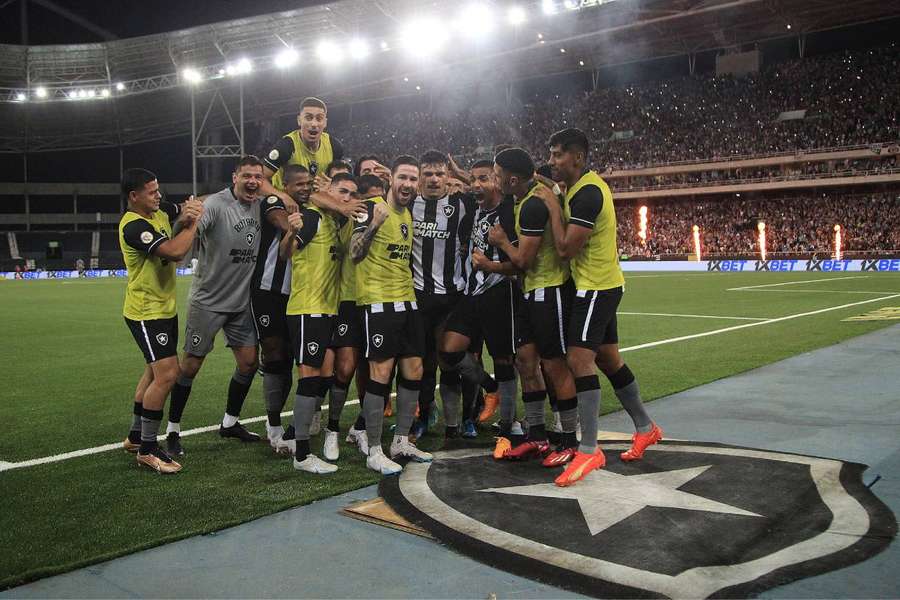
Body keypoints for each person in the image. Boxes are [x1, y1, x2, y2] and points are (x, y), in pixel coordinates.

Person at [542, 128, 663, 487]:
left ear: (577, 157)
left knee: (579, 359)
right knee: (609, 359)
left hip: (596, 287)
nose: (551, 161)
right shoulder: (577, 186)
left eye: (557, 155)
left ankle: (589, 448)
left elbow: (565, 249)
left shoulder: (588, 194)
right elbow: (542, 176)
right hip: (601, 284)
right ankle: (646, 427)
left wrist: (550, 206)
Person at [165, 156, 270, 453]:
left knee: (249, 363)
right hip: (208, 301)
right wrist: (184, 221)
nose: (252, 181)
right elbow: (189, 231)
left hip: (240, 303)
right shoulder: (214, 205)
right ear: (234, 177)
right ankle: (173, 430)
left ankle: (229, 423)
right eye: (247, 175)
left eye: (257, 177)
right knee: (191, 366)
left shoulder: (261, 205)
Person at [488, 148, 580, 466]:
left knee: (555, 366)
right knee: (526, 363)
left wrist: (499, 244)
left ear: (513, 179)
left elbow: (523, 260)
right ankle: (538, 438)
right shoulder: (522, 198)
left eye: (497, 175)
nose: (494, 179)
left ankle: (570, 440)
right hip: (530, 293)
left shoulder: (532, 208)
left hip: (549, 291)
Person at [350, 155, 432, 474]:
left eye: (414, 179)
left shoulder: (407, 214)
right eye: (404, 178)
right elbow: (355, 254)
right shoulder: (371, 208)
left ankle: (400, 440)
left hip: (407, 301)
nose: (408, 184)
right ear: (391, 180)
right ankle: (374, 449)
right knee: (380, 373)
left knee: (414, 369)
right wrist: (374, 224)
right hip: (378, 302)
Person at [118, 168, 203, 473]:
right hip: (146, 312)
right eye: (152, 192)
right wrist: (193, 223)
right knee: (167, 375)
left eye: (158, 190)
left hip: (163, 309)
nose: (159, 196)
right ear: (134, 196)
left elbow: (183, 208)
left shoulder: (160, 212)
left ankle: (135, 436)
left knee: (154, 375)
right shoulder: (134, 226)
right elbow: (175, 251)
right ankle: (149, 449)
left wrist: (195, 206)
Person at [439, 160, 518, 439]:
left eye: (483, 179)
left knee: (503, 360)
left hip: (499, 291)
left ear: (498, 181)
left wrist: (490, 264)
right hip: (470, 294)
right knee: (449, 349)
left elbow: (520, 264)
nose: (476, 185)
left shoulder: (509, 212)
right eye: (473, 179)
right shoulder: (472, 208)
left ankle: (509, 427)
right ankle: (491, 387)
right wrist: (460, 174)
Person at [409, 150, 486, 438]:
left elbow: (490, 187)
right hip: (418, 296)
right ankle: (425, 416)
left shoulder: (462, 204)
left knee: (451, 359)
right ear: (419, 177)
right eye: (427, 174)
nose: (433, 179)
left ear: (447, 176)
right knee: (423, 364)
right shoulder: (407, 205)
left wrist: (464, 174)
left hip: (454, 295)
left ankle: (467, 416)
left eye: (439, 174)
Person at [278, 174, 347, 474]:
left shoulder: (332, 223)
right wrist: (290, 233)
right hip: (308, 308)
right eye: (341, 192)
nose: (344, 198)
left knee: (318, 378)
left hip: (325, 310)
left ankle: (298, 441)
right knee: (308, 379)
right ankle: (302, 455)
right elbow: (285, 253)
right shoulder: (312, 217)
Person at [251, 164, 310, 455]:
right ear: (285, 185)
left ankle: (293, 423)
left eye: (307, 183)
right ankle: (273, 426)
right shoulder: (275, 202)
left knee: (292, 358)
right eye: (298, 184)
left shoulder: (310, 208)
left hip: (299, 295)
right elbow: (279, 221)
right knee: (274, 355)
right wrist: (300, 225)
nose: (304, 188)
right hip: (268, 291)